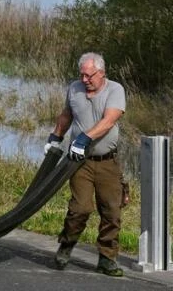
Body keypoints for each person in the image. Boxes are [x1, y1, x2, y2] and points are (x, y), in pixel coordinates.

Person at [45, 52, 126, 276]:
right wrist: (55, 137)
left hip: (107, 162)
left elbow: (109, 120)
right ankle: (67, 245)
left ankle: (107, 259)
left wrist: (84, 138)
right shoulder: (74, 88)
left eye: (89, 76)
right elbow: (66, 114)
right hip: (78, 162)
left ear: (101, 73)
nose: (84, 80)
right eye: (81, 75)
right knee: (80, 208)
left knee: (111, 211)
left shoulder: (115, 90)